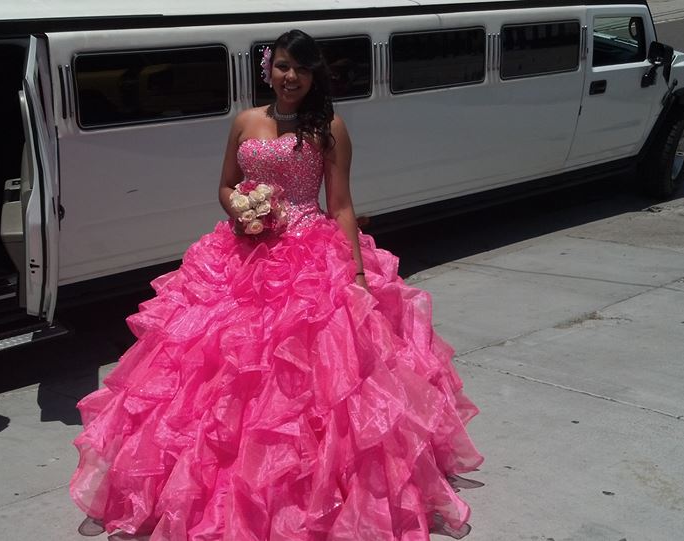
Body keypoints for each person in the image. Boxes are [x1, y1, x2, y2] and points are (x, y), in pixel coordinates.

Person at [70, 30, 483, 540]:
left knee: (318, 381)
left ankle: (306, 498)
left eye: (302, 69)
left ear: (315, 76)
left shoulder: (328, 126)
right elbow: (224, 185)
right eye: (284, 66)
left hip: (309, 257)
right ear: (269, 69)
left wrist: (356, 274)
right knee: (210, 369)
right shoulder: (245, 121)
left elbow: (342, 205)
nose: (292, 78)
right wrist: (240, 210)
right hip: (239, 257)